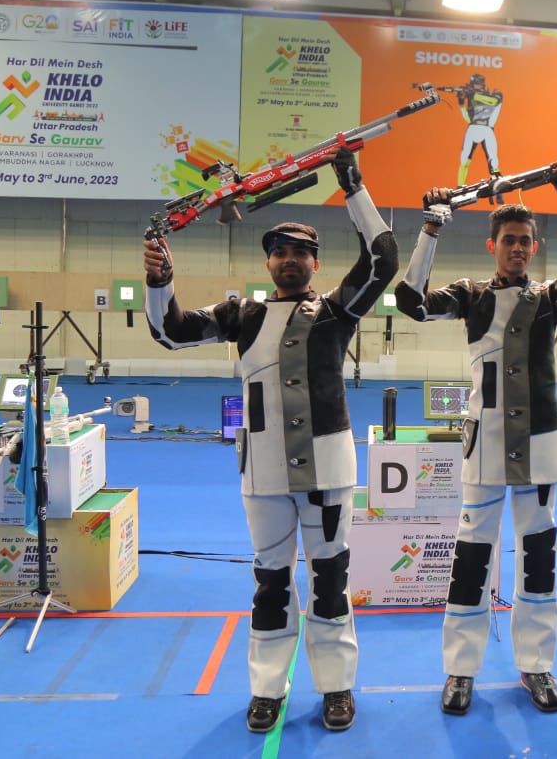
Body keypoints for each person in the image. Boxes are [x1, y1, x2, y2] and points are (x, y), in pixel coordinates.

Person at [142, 150, 398, 734]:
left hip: (328, 473)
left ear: (315, 262)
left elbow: (382, 259)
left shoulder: (336, 311)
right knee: (272, 583)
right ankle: (267, 688)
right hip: (262, 476)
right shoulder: (242, 314)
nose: (289, 259)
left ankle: (336, 685)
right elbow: (171, 333)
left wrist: (352, 183)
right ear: (268, 261)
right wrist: (160, 281)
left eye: (300, 252)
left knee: (330, 581)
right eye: (280, 251)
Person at [394, 165, 557, 715]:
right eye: (509, 240)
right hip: (486, 447)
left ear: (535, 247)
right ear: (492, 245)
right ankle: (460, 669)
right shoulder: (471, 295)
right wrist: (430, 228)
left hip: (540, 443)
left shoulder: (550, 295)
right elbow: (410, 301)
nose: (517, 248)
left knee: (538, 559)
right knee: (471, 560)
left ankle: (536, 665)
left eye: (525, 241)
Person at [456, 73, 503, 187]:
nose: (476, 86)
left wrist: (474, 95)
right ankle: (459, 186)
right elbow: (468, 119)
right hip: (473, 128)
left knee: (493, 161)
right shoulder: (472, 97)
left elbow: (495, 101)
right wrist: (461, 103)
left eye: (478, 84)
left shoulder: (494, 94)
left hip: (487, 129)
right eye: (474, 84)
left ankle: (498, 186)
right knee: (465, 159)